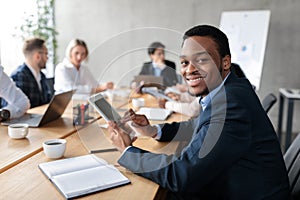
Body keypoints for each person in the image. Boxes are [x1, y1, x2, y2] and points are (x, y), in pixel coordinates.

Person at [108, 25, 290, 199]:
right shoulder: (230, 89)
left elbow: (182, 175)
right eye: (185, 62)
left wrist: (127, 151)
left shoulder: (230, 105)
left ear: (225, 62)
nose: (190, 69)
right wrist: (154, 131)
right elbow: (199, 124)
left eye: (202, 60)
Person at [10, 38, 52, 108]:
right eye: (46, 54)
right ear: (37, 56)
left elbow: (46, 102)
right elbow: (17, 108)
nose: (47, 58)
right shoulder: (19, 75)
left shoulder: (42, 76)